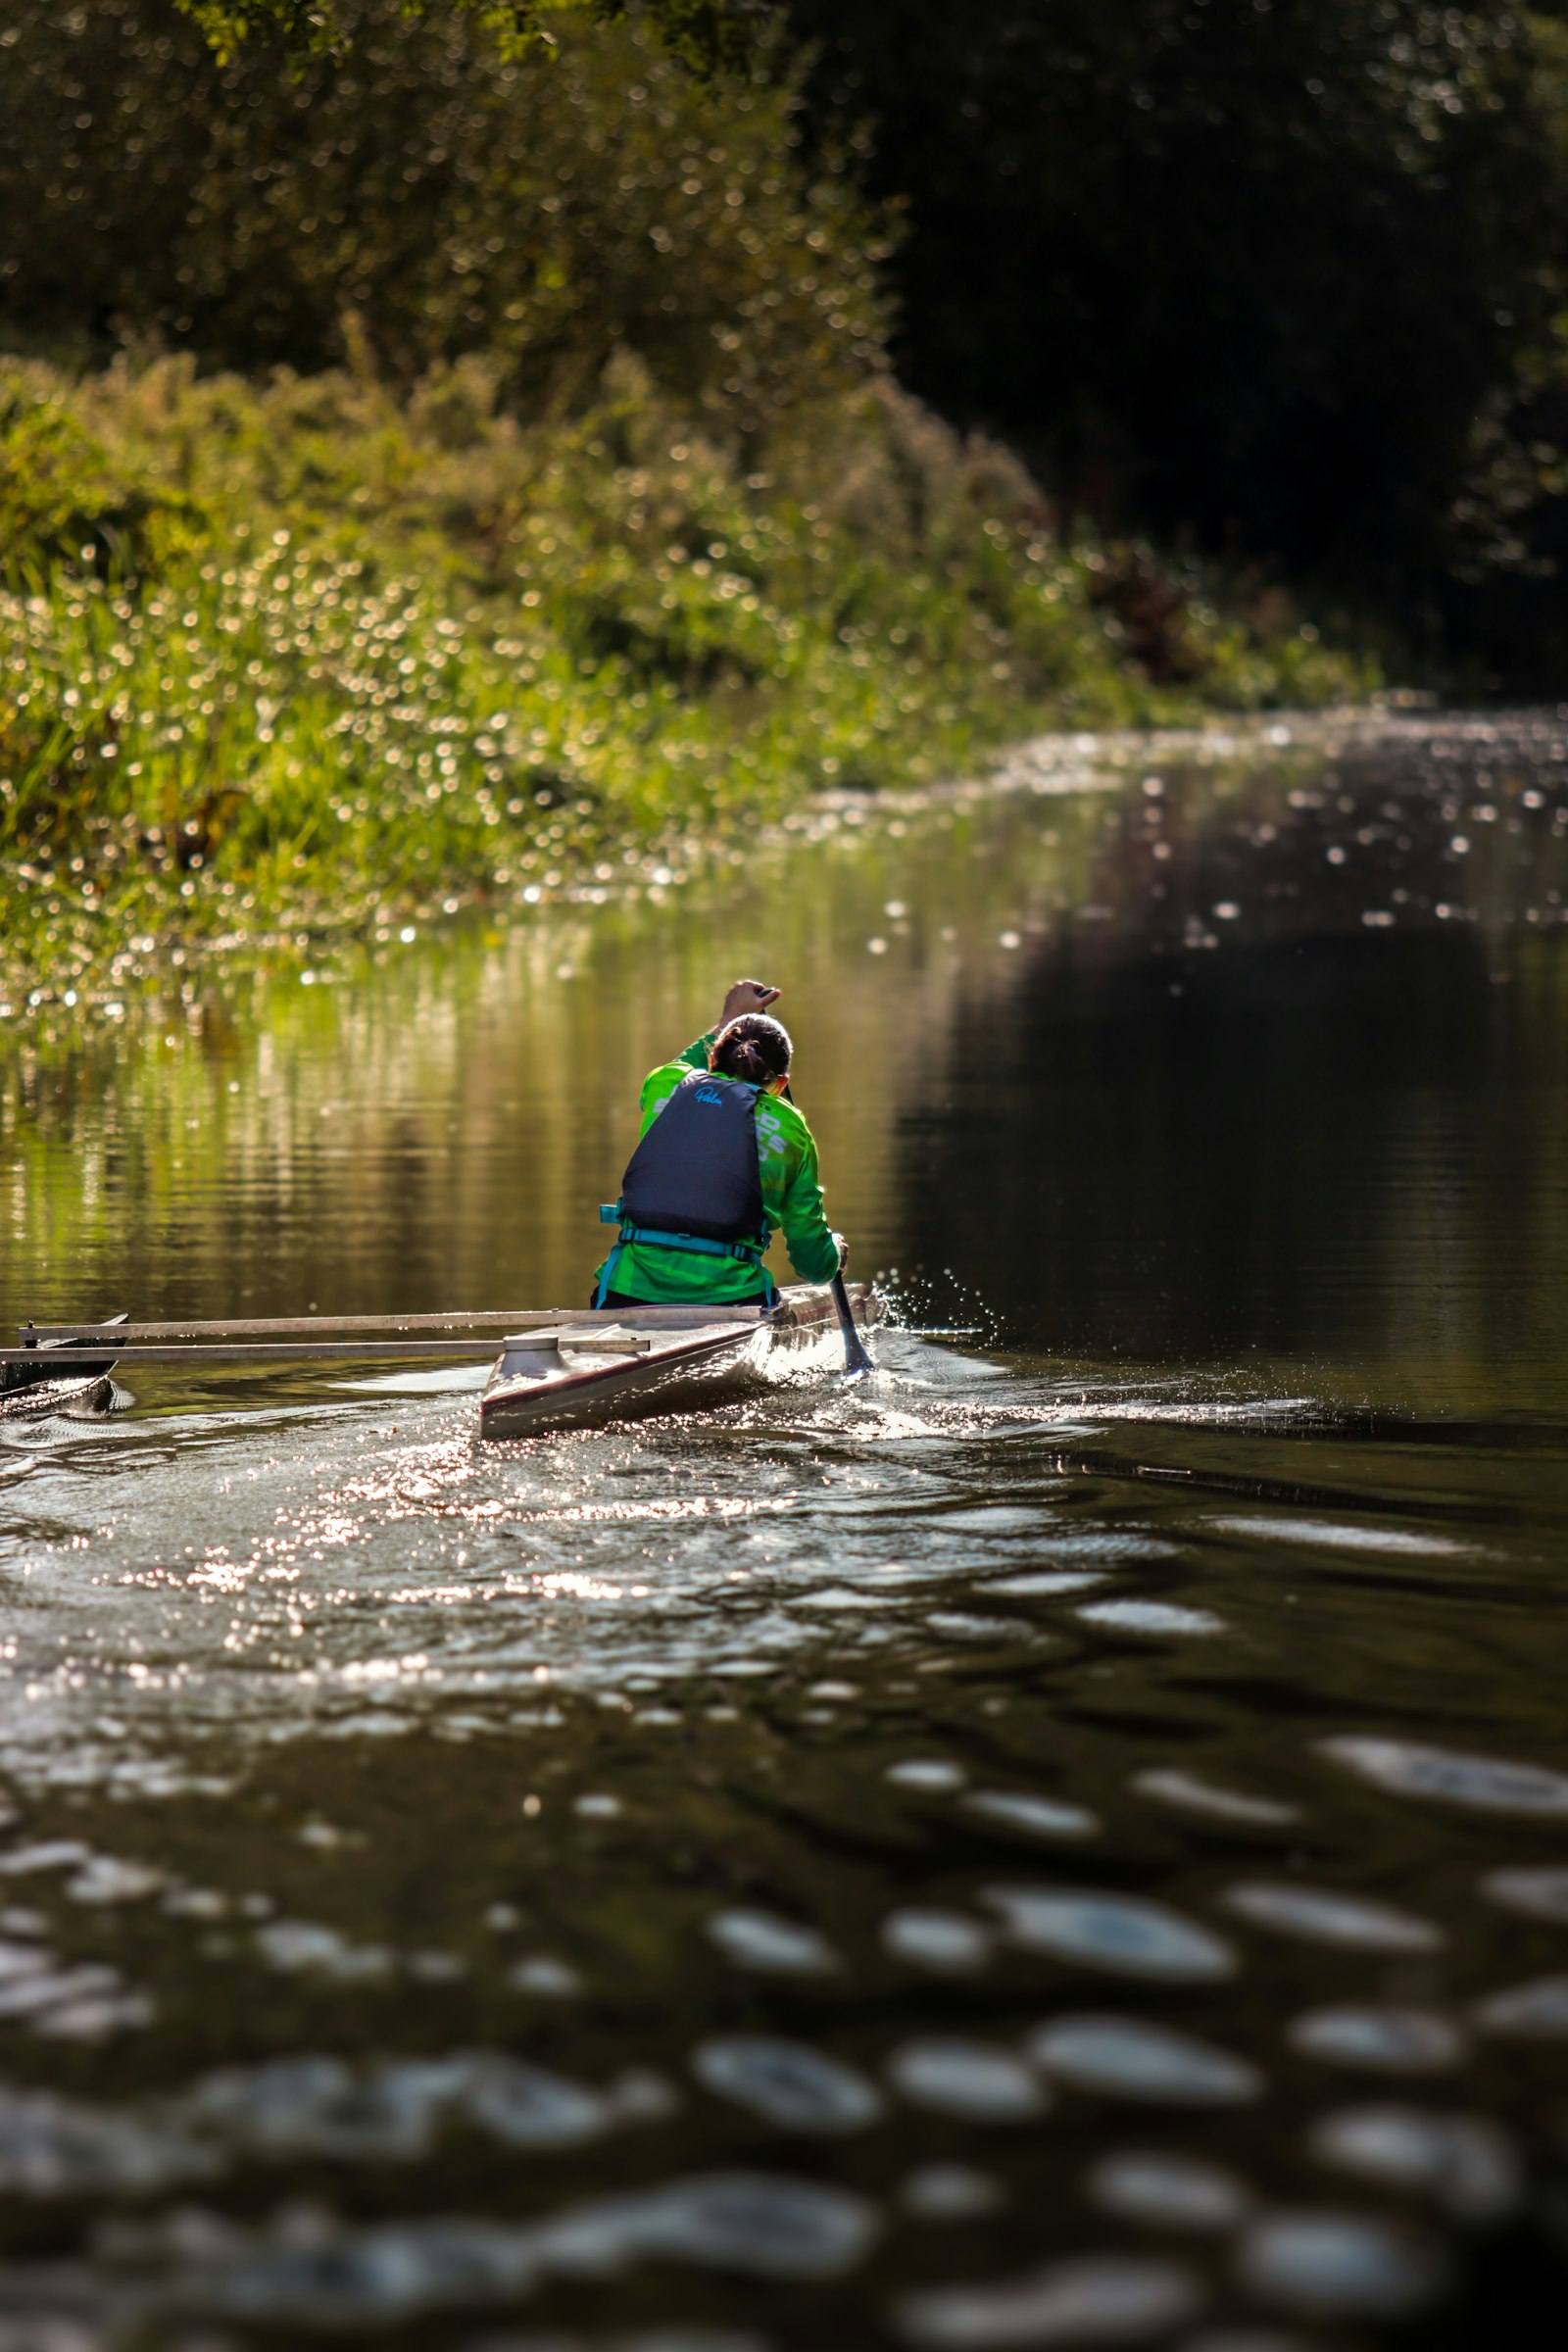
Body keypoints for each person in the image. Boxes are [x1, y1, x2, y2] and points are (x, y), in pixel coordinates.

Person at [592, 978, 846, 1309]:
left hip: (626, 1289)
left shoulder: (665, 1085)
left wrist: (729, 1018)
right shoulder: (791, 1129)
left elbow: (686, 1066)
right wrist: (834, 1254)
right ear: (781, 1085)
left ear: (712, 1061)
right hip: (733, 1299)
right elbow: (811, 1261)